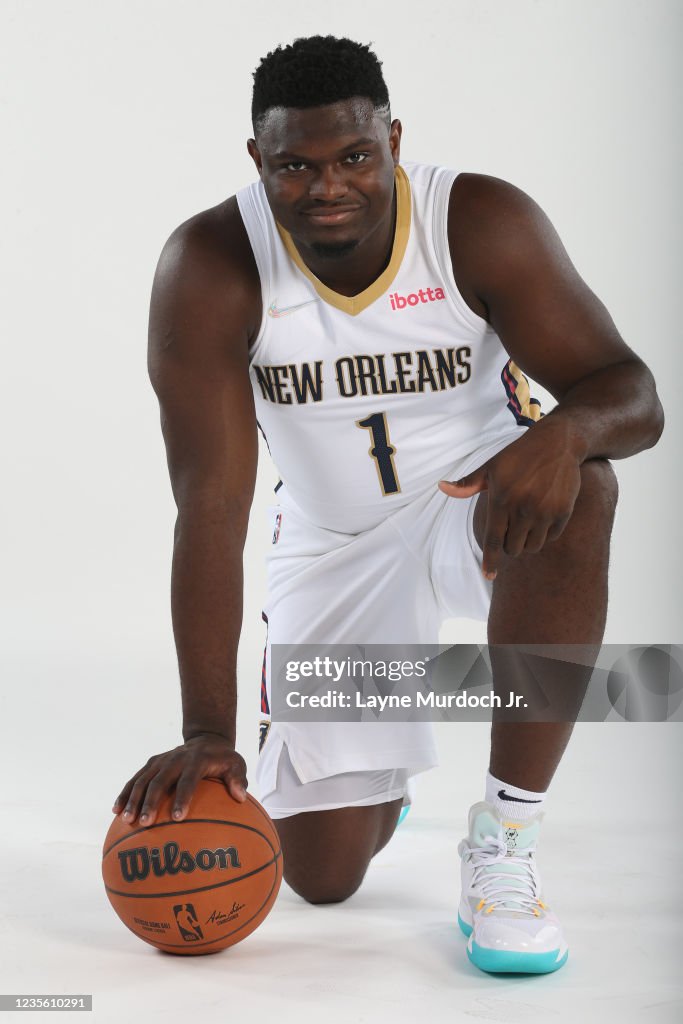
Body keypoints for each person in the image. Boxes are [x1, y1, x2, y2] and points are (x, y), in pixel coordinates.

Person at [112, 35, 664, 974]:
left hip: (476, 504)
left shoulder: (476, 220)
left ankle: (505, 837)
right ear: (259, 161)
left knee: (584, 491)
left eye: (353, 157)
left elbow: (632, 393)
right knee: (322, 878)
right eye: (295, 165)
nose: (328, 185)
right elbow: (209, 506)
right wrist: (205, 731)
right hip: (332, 538)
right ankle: (381, 749)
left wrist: (562, 436)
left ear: (393, 142)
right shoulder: (210, 263)